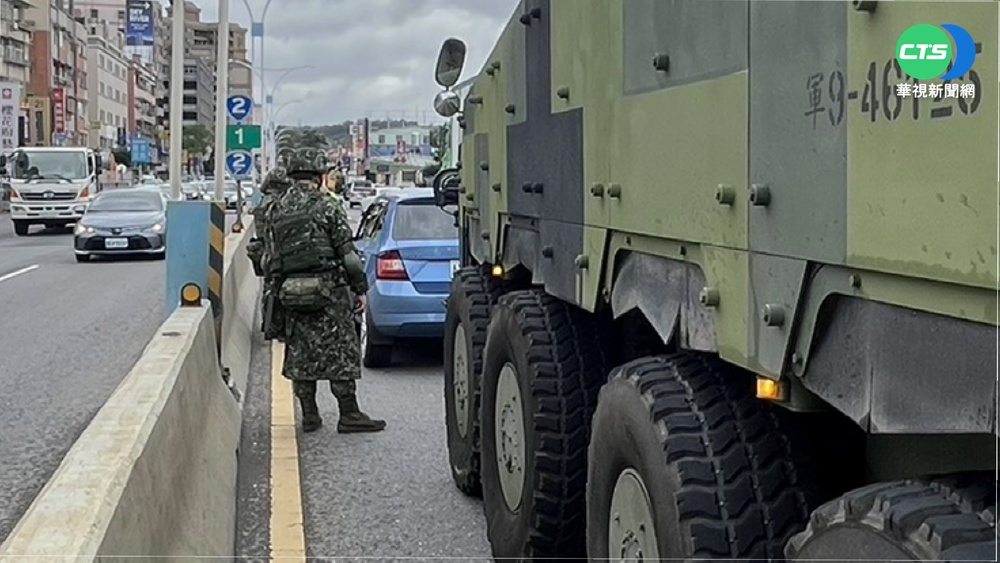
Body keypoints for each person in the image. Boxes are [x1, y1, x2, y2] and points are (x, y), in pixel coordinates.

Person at [266, 149, 385, 434]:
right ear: (319, 177)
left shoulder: (276, 209)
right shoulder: (328, 206)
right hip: (329, 291)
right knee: (340, 351)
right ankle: (349, 414)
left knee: (300, 353)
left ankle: (309, 415)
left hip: (291, 292)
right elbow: (349, 256)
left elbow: (268, 259)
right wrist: (360, 290)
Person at [248, 167, 292, 340]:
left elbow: (261, 233)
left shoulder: (263, 204)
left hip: (268, 251)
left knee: (270, 287)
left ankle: (269, 324)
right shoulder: (286, 203)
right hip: (282, 250)